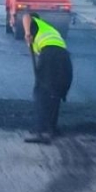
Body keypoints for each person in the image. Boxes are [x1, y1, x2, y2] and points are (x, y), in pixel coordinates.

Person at [22, 13, 73, 144]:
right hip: (64, 56)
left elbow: (26, 16)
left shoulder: (35, 23)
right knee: (55, 93)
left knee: (41, 92)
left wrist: (27, 33)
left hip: (50, 54)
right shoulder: (48, 29)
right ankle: (51, 129)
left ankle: (39, 131)